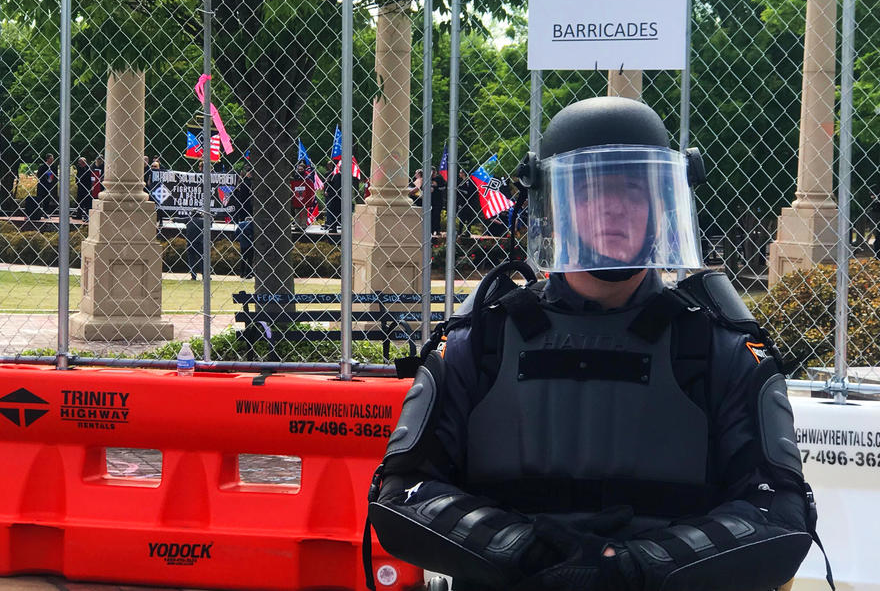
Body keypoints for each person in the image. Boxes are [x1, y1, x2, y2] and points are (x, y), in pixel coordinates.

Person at [367, 97, 826, 591]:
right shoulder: (484, 337)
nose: (612, 207)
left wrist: (632, 566)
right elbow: (403, 493)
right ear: (556, 206)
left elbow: (778, 511)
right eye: (589, 190)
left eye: (632, 189)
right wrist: (529, 552)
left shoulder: (715, 345)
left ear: (660, 205)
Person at [231, 164, 254, 277]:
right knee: (249, 258)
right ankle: (247, 272)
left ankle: (243, 273)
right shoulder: (244, 183)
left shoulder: (248, 183)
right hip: (244, 205)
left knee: (244, 258)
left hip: (244, 244)